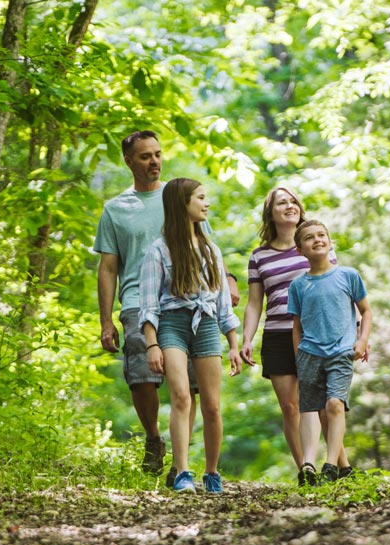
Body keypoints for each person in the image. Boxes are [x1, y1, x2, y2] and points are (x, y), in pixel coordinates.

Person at [94, 131, 239, 481]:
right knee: (142, 378)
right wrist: (105, 321)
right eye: (145, 156)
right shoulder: (116, 209)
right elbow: (108, 267)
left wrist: (228, 279)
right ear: (129, 161)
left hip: (190, 305)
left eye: (158, 154)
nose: (154, 161)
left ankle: (180, 464)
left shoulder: (179, 196)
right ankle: (154, 437)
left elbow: (207, 246)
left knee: (187, 389)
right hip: (137, 302)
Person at [240, 186, 353, 485]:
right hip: (278, 336)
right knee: (292, 407)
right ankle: (307, 470)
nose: (289, 206)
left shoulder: (316, 244)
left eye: (293, 201)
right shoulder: (259, 256)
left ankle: (342, 468)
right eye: (281, 203)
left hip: (318, 336)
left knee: (326, 404)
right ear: (271, 213)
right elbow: (254, 303)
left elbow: (337, 291)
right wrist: (246, 339)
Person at [139, 178, 242, 493]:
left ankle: (211, 473)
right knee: (181, 397)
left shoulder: (211, 249)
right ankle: (182, 472)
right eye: (200, 198)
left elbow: (224, 303)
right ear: (181, 203)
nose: (206, 203)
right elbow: (148, 305)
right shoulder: (158, 250)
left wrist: (234, 344)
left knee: (211, 405)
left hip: (207, 324)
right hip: (171, 324)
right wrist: (152, 344)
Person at [286, 219, 372, 485]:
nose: (317, 240)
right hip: (310, 354)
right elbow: (296, 326)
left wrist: (362, 340)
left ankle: (331, 464)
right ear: (300, 250)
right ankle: (310, 464)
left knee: (334, 404)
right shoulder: (298, 286)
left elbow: (366, 311)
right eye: (310, 238)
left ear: (330, 241)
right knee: (310, 408)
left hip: (341, 353)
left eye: (321, 235)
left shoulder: (348, 276)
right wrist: (299, 356)